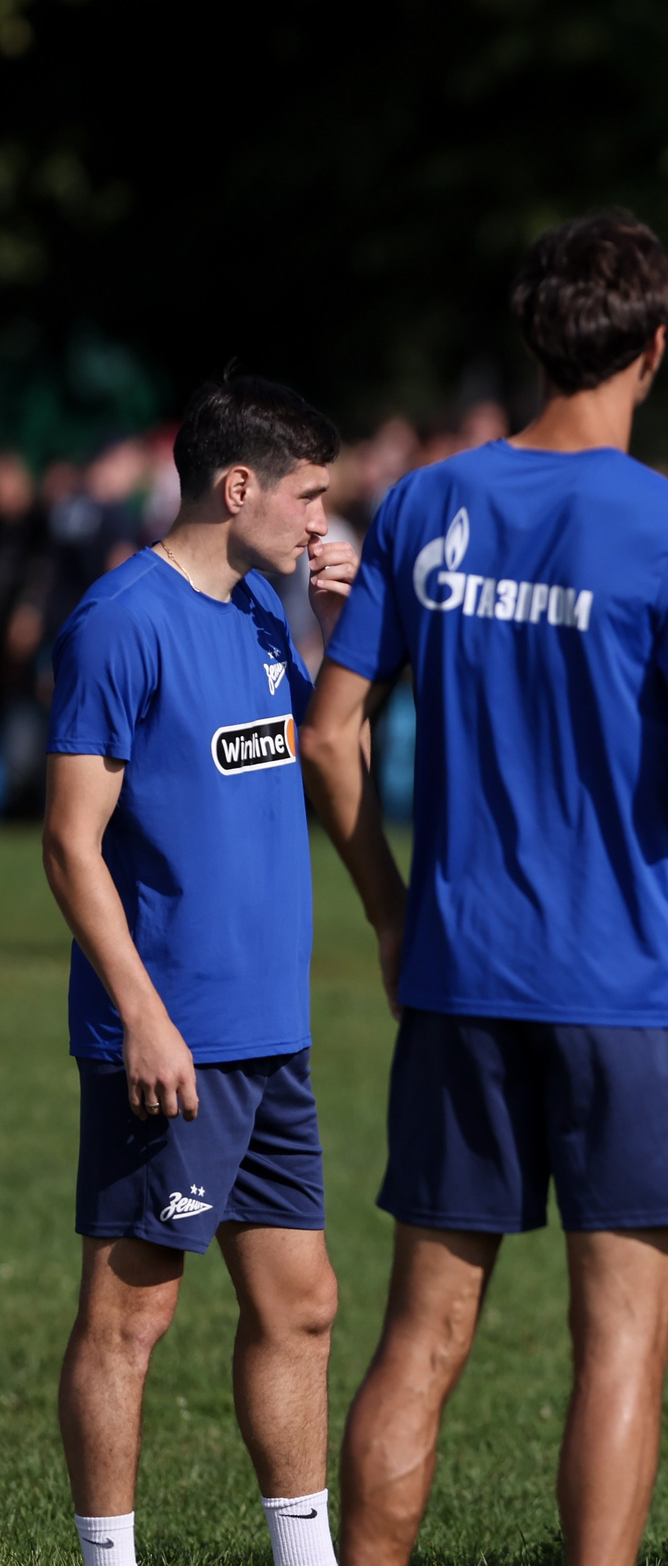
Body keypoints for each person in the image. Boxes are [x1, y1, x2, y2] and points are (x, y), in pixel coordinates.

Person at [303, 211, 668, 1566]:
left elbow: (332, 734)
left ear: (533, 336)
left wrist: (390, 909)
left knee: (419, 1332)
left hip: (458, 971)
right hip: (625, 981)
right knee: (617, 1338)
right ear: (655, 347)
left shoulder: (431, 501)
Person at [43, 376, 355, 1566]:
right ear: (239, 489)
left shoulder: (267, 615)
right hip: (171, 1039)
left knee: (304, 1304)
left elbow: (332, 770)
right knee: (132, 1316)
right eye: (309, 497)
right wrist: (143, 1019)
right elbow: (70, 844)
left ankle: (302, 1552)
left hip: (272, 1037)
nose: (321, 521)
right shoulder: (121, 621)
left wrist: (343, 632)